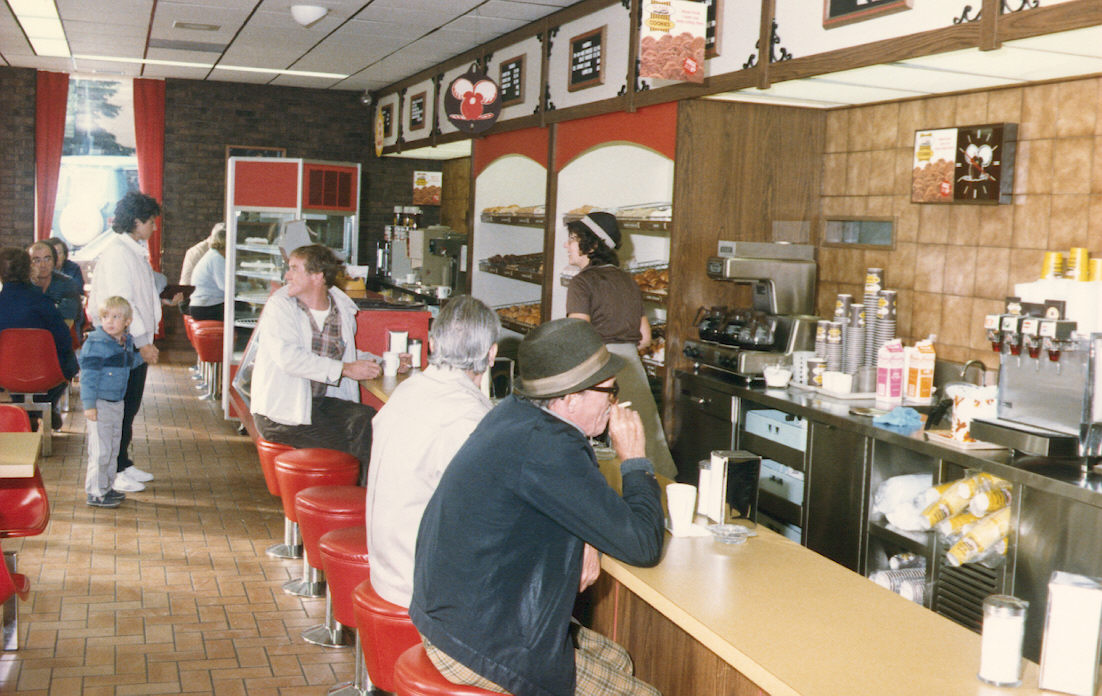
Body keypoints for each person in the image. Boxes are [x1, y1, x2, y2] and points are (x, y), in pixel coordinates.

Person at [410, 318, 664, 696]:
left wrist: (586, 538)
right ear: (571, 398)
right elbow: (643, 545)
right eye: (609, 391)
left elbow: (562, 501)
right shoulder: (547, 447)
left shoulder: (517, 414)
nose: (614, 401)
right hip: (476, 639)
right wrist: (635, 461)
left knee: (616, 661)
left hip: (456, 611)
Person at [365, 295, 499, 608]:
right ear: (492, 354)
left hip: (385, 568)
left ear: (433, 344)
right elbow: (487, 517)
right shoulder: (468, 417)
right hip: (418, 588)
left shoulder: (409, 389)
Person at [250, 244, 387, 484]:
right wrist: (345, 369)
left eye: (294, 269)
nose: (286, 276)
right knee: (355, 441)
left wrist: (383, 363)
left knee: (367, 418)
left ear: (318, 276)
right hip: (281, 413)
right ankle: (355, 505)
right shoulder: (280, 307)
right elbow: (289, 358)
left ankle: (360, 502)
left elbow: (346, 354)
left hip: (317, 404)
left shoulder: (341, 309)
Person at [564, 212, 676, 479]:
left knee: (604, 458)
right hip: (631, 370)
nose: (566, 245)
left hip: (599, 373)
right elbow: (644, 337)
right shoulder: (628, 281)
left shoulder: (581, 282)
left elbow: (578, 334)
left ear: (592, 245)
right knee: (643, 449)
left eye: (572, 239)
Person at [86, 191, 164, 493]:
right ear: (136, 221)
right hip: (122, 341)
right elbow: (123, 303)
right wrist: (142, 340)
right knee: (118, 406)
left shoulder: (132, 250)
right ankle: (112, 471)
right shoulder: (119, 252)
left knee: (128, 406)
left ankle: (122, 462)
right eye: (151, 221)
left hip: (130, 339)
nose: (154, 227)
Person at [0, 247, 79, 425]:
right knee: (69, 363)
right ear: (29, 269)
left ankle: (23, 409)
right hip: (46, 372)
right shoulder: (42, 301)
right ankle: (44, 404)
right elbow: (64, 340)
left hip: (5, 374)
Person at [80, 296, 140, 509]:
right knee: (100, 450)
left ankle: (106, 486)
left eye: (116, 317)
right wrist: (89, 405)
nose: (110, 321)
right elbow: (87, 377)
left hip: (116, 402)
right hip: (100, 403)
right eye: (106, 316)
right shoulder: (96, 345)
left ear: (127, 321)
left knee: (113, 447)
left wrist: (144, 355)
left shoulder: (124, 342)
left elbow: (131, 362)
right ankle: (95, 492)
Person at [28, 240, 83, 330]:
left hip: (61, 336)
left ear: (54, 261)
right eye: (37, 260)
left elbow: (67, 318)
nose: (43, 265)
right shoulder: (24, 284)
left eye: (47, 259)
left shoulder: (68, 283)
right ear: (29, 264)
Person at [186, 225, 227, 321]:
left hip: (202, 306)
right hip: (205, 308)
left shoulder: (213, 254)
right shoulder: (217, 258)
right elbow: (226, 287)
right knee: (242, 312)